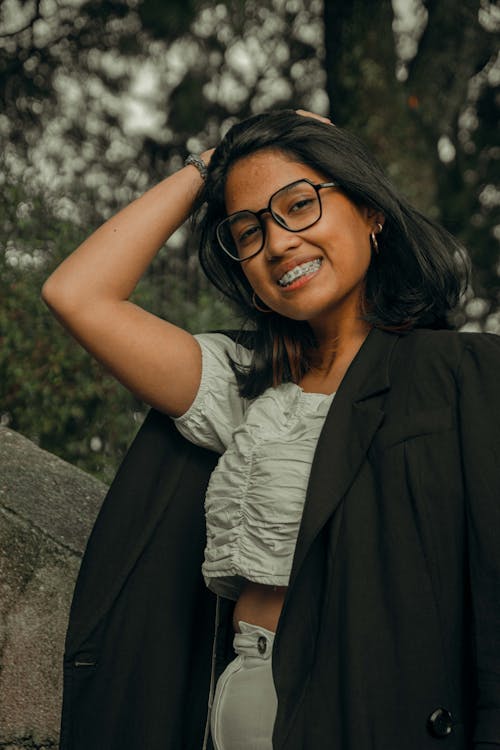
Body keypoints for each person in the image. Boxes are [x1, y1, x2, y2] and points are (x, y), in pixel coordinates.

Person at [42, 109, 500, 750]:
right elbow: (77, 294)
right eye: (249, 231)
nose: (279, 242)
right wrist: (211, 164)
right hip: (239, 698)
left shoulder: (463, 376)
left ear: (371, 212)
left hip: (374, 709)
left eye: (299, 204)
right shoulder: (245, 380)